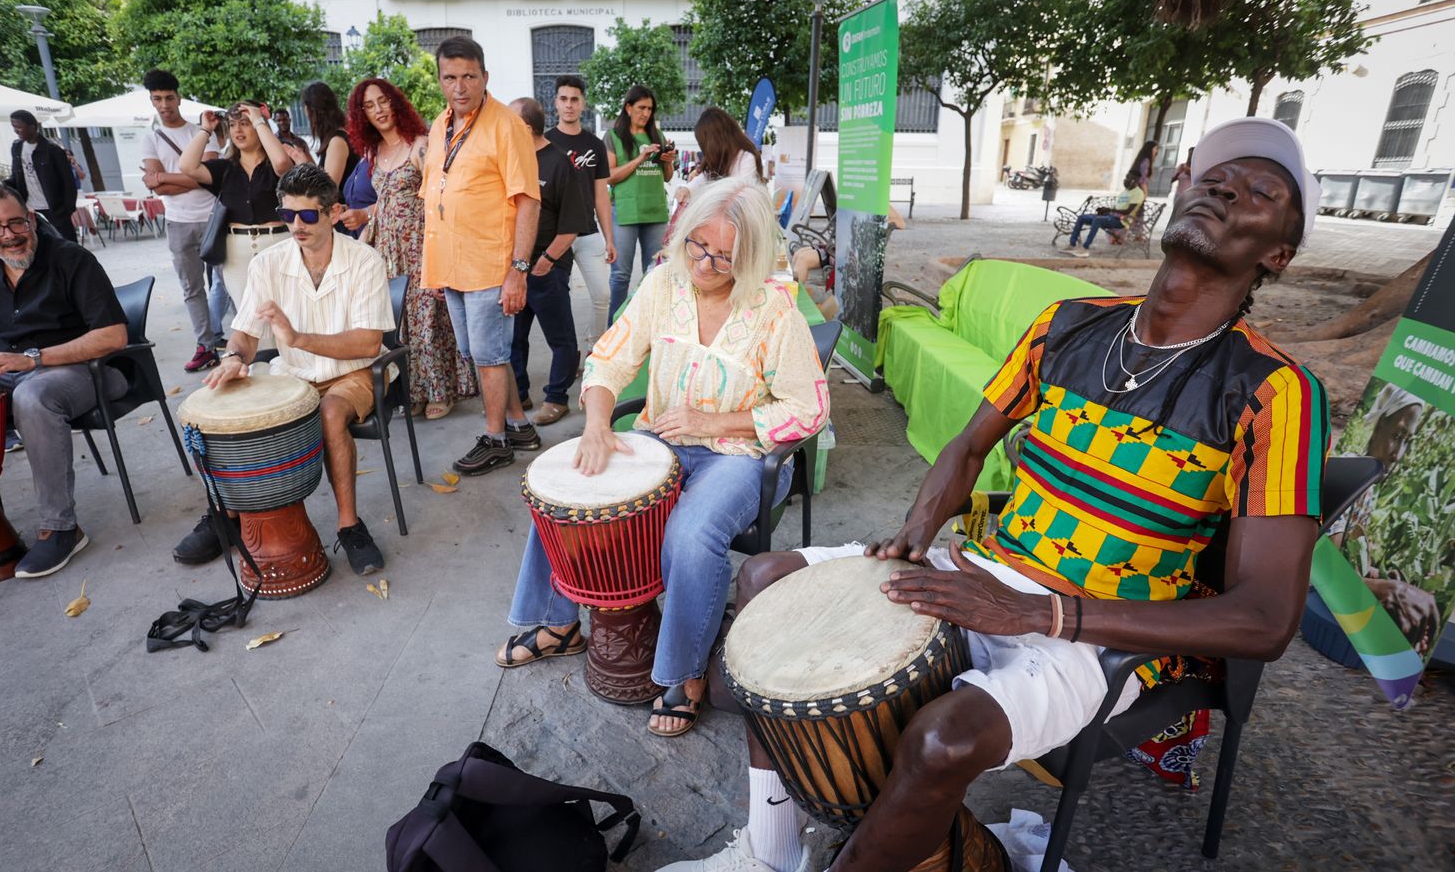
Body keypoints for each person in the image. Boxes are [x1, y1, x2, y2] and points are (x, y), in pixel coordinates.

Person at [657, 117, 1329, 872]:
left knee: (942, 738)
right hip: (984, 571)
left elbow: (1266, 618)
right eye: (1212, 180)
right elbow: (971, 444)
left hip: (1103, 637)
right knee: (764, 580)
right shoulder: (1068, 326)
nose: (1226, 191)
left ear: (1279, 251)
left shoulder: (1277, 391)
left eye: (1259, 193)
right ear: (1177, 196)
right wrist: (913, 533)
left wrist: (1046, 612)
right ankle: (771, 853)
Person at [496, 179, 829, 737]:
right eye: (698, 245)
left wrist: (714, 422)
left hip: (742, 453)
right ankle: (559, 625)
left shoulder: (774, 307)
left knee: (690, 532)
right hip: (662, 436)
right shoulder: (664, 284)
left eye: (725, 255)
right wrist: (598, 426)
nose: (706, 263)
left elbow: (809, 408)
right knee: (569, 494)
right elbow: (609, 360)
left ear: (748, 256)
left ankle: (685, 671)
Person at [171, 164, 391, 575]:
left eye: (308, 216)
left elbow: (367, 343)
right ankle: (227, 515)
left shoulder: (365, 260)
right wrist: (234, 358)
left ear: (334, 212)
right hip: (294, 375)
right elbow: (245, 334)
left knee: (328, 415)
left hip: (354, 373)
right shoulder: (267, 263)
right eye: (288, 215)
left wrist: (298, 337)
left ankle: (349, 526)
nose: (296, 225)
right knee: (227, 415)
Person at [0, 180, 128, 580]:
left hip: (84, 370)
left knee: (33, 396)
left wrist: (33, 359)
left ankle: (61, 528)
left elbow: (113, 336)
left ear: (32, 219)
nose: (9, 234)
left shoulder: (71, 259)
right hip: (11, 371)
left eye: (16, 222)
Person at [421, 36, 543, 475]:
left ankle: (495, 441)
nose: (460, 86)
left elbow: (528, 200)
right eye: (450, 77)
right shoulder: (440, 125)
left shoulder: (506, 125)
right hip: (451, 262)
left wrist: (518, 270)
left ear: (484, 77)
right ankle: (518, 424)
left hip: (491, 263)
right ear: (439, 80)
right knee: (483, 353)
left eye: (469, 76)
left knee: (490, 355)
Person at [343, 76, 477, 421]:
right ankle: (415, 391)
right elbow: (389, 201)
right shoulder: (373, 152)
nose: (378, 110)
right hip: (387, 249)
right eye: (369, 106)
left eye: (383, 101)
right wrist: (364, 213)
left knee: (428, 321)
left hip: (421, 246)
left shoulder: (420, 145)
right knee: (402, 325)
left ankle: (441, 391)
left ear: (396, 103)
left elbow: (437, 200)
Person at [1330, 384, 1439, 652]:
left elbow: (1349, 559)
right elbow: (1327, 566)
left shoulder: (1369, 486)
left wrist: (1380, 577)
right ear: (1379, 426)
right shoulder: (1350, 472)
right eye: (1397, 436)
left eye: (1407, 441)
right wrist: (1385, 590)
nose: (1398, 454)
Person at [508, 97, 591, 427]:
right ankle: (519, 393)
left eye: (510, 122)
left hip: (546, 267)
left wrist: (545, 261)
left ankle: (557, 398)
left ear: (525, 128)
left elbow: (572, 225)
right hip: (514, 269)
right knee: (513, 338)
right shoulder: (512, 161)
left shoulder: (560, 164)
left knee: (561, 338)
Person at [141, 68, 229, 374]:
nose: (164, 104)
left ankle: (234, 341)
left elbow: (210, 178)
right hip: (177, 222)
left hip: (211, 218)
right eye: (157, 99)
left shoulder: (200, 133)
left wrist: (164, 176)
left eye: (168, 97)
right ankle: (205, 345)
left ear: (178, 98)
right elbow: (159, 187)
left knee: (227, 281)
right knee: (192, 288)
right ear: (151, 101)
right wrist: (190, 175)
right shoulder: (150, 139)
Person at [178, 101, 295, 318]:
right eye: (232, 125)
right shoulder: (225, 168)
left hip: (278, 245)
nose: (238, 130)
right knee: (249, 317)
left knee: (286, 315)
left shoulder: (274, 165)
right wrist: (205, 129)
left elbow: (281, 164)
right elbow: (187, 166)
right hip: (237, 251)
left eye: (245, 123)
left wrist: (259, 119)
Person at [544, 75, 617, 345]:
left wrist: (609, 238)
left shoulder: (595, 145)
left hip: (587, 231)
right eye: (563, 99)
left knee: (602, 296)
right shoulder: (544, 142)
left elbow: (601, 195)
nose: (569, 105)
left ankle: (593, 349)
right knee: (559, 303)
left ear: (583, 104)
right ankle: (566, 356)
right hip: (555, 235)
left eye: (574, 99)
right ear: (556, 103)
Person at [605, 85, 676, 319]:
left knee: (655, 273)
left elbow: (667, 176)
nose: (645, 113)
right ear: (628, 107)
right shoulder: (614, 136)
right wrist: (641, 157)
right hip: (624, 212)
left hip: (655, 211)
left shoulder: (658, 136)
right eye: (641, 107)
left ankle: (648, 327)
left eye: (650, 109)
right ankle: (613, 330)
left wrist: (667, 161)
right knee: (620, 276)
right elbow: (610, 175)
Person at [6, 110, 78, 241]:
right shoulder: (17, 147)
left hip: (54, 209)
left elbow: (68, 182)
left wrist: (67, 210)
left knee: (67, 244)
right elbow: (15, 177)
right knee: (38, 245)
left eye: (19, 127)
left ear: (32, 127)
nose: (16, 131)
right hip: (30, 209)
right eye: (13, 127)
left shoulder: (52, 150)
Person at [674, 107, 763, 206]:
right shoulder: (718, 159)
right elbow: (703, 178)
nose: (705, 149)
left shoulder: (746, 158)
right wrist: (687, 189)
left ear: (715, 140)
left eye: (704, 143)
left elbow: (738, 194)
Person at [1062, 173, 1145, 257]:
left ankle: (1084, 248)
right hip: (1111, 217)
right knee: (1082, 218)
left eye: (1128, 178)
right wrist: (1105, 211)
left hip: (1122, 221)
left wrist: (1109, 209)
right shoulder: (1125, 191)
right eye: (1125, 178)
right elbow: (1118, 207)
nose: (1125, 180)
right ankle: (1072, 244)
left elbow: (1127, 211)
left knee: (1097, 220)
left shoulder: (1138, 193)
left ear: (1135, 181)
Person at [302, 81, 361, 188]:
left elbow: (328, 191)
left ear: (310, 109)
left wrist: (302, 164)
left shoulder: (337, 142)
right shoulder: (337, 137)